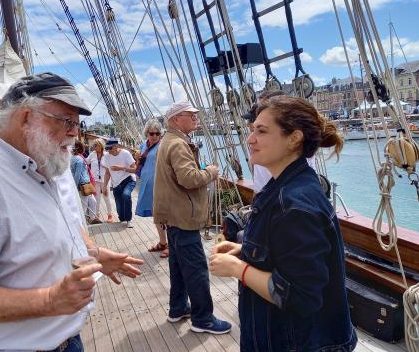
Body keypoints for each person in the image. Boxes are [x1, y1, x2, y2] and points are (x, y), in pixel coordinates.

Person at [0, 72, 144, 351]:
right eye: (66, 121)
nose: (75, 132)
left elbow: (58, 228)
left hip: (68, 340)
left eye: (77, 124)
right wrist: (50, 300)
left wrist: (94, 253)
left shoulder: (45, 166)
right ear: (26, 117)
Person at [209, 95, 357, 351]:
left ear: (294, 138)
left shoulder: (295, 205)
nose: (250, 138)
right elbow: (283, 255)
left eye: (262, 131)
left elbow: (300, 296)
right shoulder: (282, 188)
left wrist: (238, 269)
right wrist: (244, 253)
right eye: (252, 129)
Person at [153, 100, 232, 335]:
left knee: (178, 265)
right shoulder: (177, 144)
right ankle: (203, 318)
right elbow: (188, 178)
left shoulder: (168, 141)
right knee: (196, 269)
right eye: (192, 115)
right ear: (177, 119)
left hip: (174, 215)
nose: (196, 118)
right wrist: (211, 172)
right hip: (184, 216)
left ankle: (177, 308)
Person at [135, 119, 168, 258]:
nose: (155, 136)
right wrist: (137, 159)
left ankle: (171, 245)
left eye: (157, 133)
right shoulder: (144, 146)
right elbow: (140, 164)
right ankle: (163, 242)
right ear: (147, 133)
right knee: (156, 215)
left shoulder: (162, 146)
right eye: (152, 133)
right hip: (147, 184)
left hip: (160, 184)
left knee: (165, 215)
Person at [102, 138, 136, 228]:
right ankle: (123, 218)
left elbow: (135, 169)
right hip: (116, 184)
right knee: (120, 212)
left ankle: (129, 220)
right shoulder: (106, 156)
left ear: (116, 146)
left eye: (110, 148)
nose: (108, 151)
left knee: (126, 195)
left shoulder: (125, 153)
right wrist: (104, 186)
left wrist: (121, 168)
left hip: (128, 179)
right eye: (107, 148)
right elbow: (107, 173)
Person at [71, 140, 99, 224]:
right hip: (82, 184)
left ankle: (91, 218)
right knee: (83, 206)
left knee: (92, 202)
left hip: (86, 183)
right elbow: (77, 175)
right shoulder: (79, 159)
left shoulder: (73, 158)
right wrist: (75, 188)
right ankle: (83, 225)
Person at [86, 139, 113, 222]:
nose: (94, 147)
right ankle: (96, 215)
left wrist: (105, 166)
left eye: (96, 145)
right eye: (94, 145)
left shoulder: (107, 155)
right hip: (95, 180)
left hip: (105, 180)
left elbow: (111, 167)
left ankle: (110, 215)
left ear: (101, 145)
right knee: (96, 198)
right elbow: (85, 162)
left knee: (106, 197)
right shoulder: (92, 155)